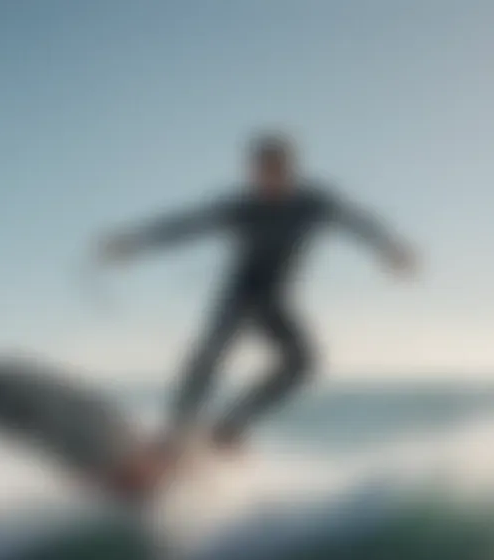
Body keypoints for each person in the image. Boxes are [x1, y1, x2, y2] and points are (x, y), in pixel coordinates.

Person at [98, 133, 418, 458]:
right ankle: (174, 438)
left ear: (289, 171)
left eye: (272, 172)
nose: (264, 182)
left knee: (301, 363)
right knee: (209, 356)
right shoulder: (243, 208)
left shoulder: (313, 203)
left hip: (274, 300)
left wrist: (389, 246)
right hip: (239, 293)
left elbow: (355, 220)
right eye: (258, 174)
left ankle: (230, 427)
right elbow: (187, 224)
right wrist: (135, 242)